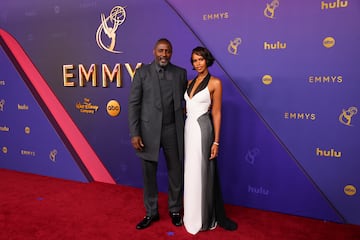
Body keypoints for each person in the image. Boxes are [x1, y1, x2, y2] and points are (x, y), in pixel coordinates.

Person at [128, 38, 188, 230]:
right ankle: (151, 212)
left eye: (168, 51)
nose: (164, 54)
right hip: (147, 132)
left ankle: (175, 210)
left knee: (176, 172)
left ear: (171, 53)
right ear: (154, 51)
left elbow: (188, 99)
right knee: (149, 174)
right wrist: (135, 133)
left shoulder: (180, 73)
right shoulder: (142, 73)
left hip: (173, 129)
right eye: (161, 50)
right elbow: (134, 104)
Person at [183, 46, 238, 235]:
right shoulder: (189, 82)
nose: (197, 63)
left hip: (203, 130)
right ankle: (190, 213)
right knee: (191, 171)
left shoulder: (215, 83)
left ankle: (203, 216)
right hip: (188, 129)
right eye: (194, 60)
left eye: (200, 59)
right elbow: (188, 107)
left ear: (207, 60)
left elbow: (216, 113)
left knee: (202, 172)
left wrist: (216, 142)